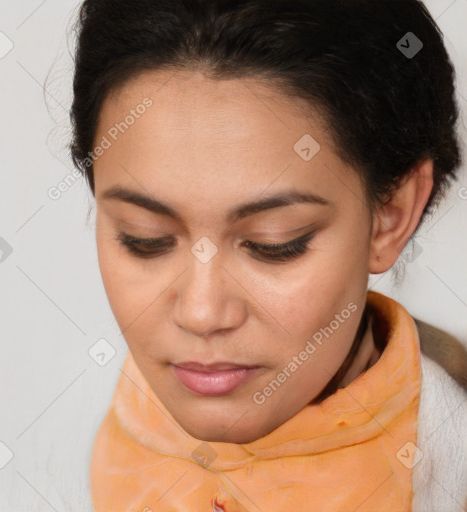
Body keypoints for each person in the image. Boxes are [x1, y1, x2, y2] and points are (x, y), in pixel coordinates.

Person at [67, 0, 467, 510]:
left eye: (274, 244)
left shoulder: (443, 465)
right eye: (143, 238)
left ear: (389, 215)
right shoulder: (107, 439)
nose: (201, 313)